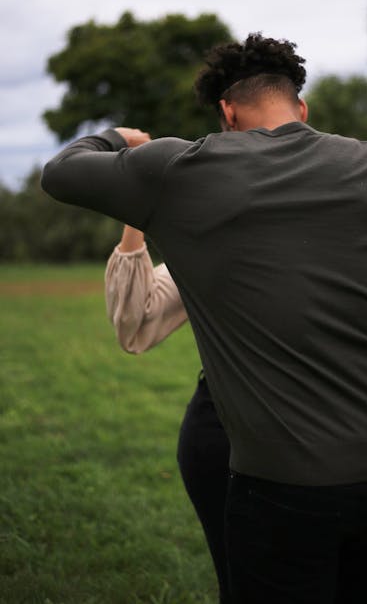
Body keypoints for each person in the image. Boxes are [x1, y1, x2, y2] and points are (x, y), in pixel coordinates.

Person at [42, 33, 367, 604]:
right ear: (300, 107)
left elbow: (60, 172)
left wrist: (118, 139)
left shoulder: (180, 168)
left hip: (281, 483)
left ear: (227, 111)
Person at [105, 221, 231, 603]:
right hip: (225, 438)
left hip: (334, 436)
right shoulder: (218, 242)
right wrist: (136, 206)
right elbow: (136, 319)